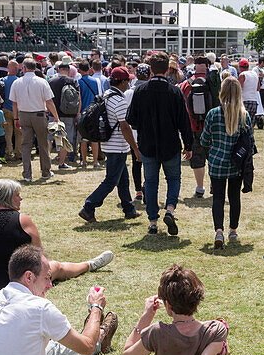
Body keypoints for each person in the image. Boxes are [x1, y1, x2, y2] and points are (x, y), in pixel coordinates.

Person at [0, 180, 114, 295]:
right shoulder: (21, 220)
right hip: (10, 283)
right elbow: (39, 256)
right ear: (8, 197)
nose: (21, 198)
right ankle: (89, 265)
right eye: (17, 195)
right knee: (56, 266)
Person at [126, 51, 192, 236]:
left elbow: (132, 119)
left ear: (151, 70)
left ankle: (153, 221)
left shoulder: (140, 91)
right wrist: (188, 145)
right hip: (170, 144)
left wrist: (144, 126)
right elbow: (184, 121)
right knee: (173, 179)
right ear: (167, 69)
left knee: (151, 182)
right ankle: (170, 209)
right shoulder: (175, 91)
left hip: (147, 144)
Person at [78, 67, 141, 222]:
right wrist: (135, 148)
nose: (129, 83)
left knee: (123, 180)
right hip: (117, 145)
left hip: (109, 144)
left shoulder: (107, 95)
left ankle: (129, 209)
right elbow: (125, 127)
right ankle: (89, 207)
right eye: (128, 80)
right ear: (123, 82)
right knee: (111, 180)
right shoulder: (120, 100)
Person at [199, 75, 254, 249]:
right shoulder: (244, 116)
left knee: (218, 198)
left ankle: (218, 231)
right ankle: (233, 230)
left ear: (222, 92)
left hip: (216, 163)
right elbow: (250, 144)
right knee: (234, 197)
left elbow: (204, 140)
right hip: (236, 164)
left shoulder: (213, 114)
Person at [10, 58, 59, 182]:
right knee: (43, 144)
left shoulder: (17, 82)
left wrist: (16, 117)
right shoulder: (42, 82)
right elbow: (49, 101)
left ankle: (27, 174)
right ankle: (46, 172)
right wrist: (56, 117)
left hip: (24, 115)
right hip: (39, 115)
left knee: (26, 145)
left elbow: (14, 103)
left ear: (24, 68)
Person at [180, 56, 220, 198]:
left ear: (194, 66)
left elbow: (183, 106)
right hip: (212, 126)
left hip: (193, 126)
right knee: (213, 156)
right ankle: (214, 185)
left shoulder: (187, 83)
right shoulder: (214, 83)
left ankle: (199, 188)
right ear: (208, 66)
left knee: (197, 158)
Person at [47, 58, 80, 170]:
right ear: (68, 70)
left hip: (53, 114)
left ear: (58, 69)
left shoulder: (51, 81)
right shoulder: (73, 81)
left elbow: (47, 99)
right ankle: (61, 163)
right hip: (69, 114)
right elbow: (78, 99)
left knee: (50, 138)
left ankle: (47, 164)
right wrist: (77, 113)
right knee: (65, 139)